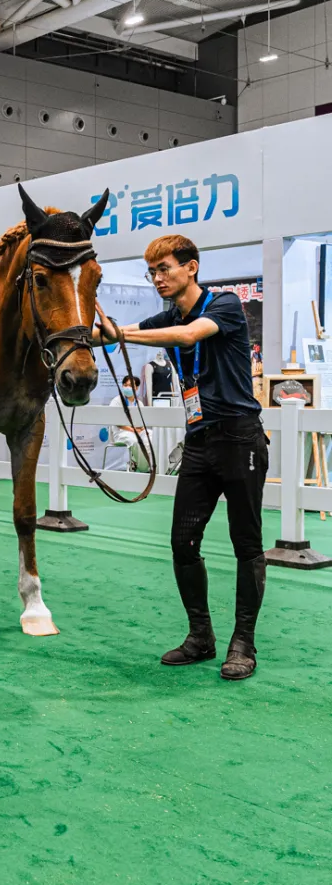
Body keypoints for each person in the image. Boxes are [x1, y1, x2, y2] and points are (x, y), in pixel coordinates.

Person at [95, 233, 267, 681]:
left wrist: (125, 332)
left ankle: (243, 642)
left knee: (245, 544)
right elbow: (118, 336)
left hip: (240, 439)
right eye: (152, 271)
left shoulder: (223, 304)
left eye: (164, 269)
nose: (157, 278)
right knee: (182, 542)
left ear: (191, 267)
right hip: (199, 442)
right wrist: (83, 332)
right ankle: (201, 637)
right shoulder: (169, 314)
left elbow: (189, 335)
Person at [108, 373, 149, 472]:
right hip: (121, 432)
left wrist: (141, 429)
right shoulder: (116, 401)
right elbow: (117, 422)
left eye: (131, 386)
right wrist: (133, 429)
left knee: (151, 437)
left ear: (137, 388)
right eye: (125, 385)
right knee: (135, 441)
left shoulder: (139, 403)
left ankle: (152, 465)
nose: (127, 387)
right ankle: (144, 468)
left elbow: (143, 422)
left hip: (137, 430)